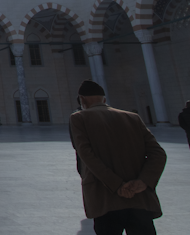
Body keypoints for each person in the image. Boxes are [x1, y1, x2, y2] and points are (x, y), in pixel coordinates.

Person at [70, 80, 167, 235]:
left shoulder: (79, 118)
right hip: (139, 197)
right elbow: (158, 153)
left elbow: (87, 156)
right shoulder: (133, 117)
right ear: (104, 99)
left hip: (105, 198)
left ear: (82, 99)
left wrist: (117, 185)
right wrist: (144, 181)